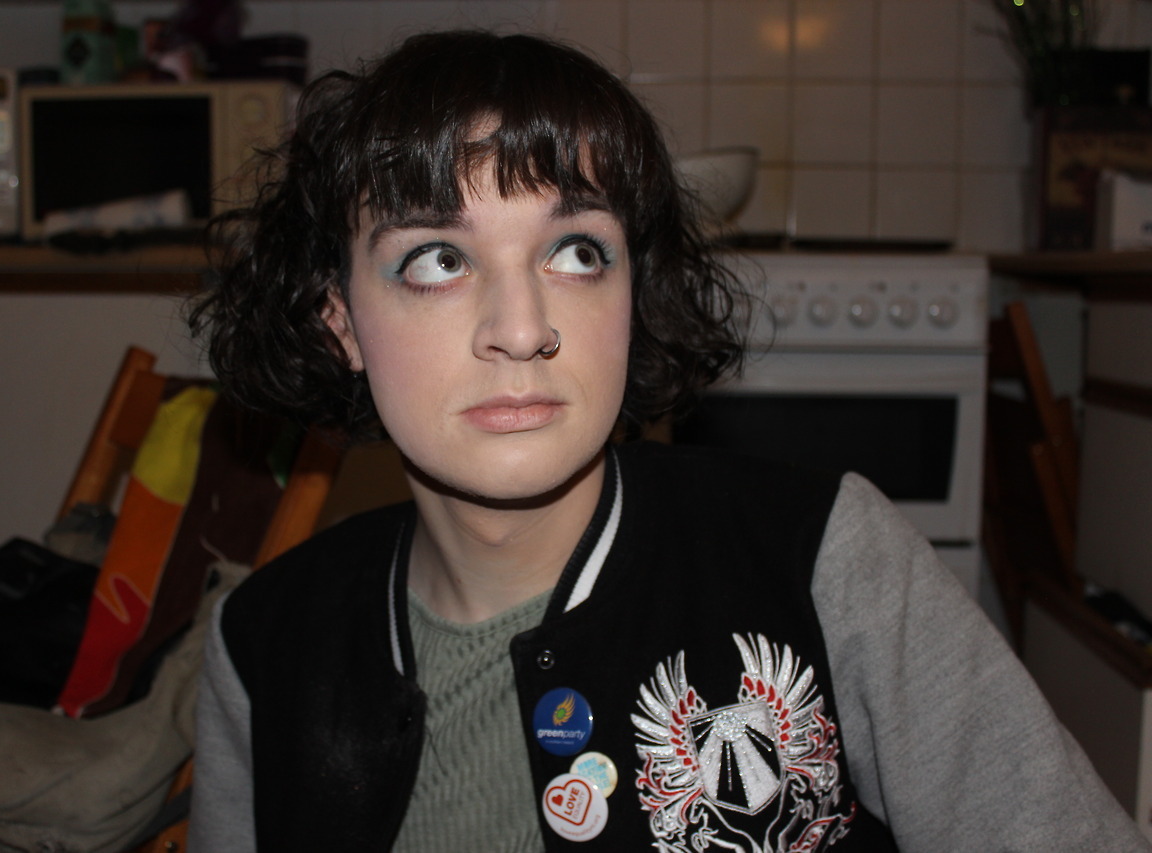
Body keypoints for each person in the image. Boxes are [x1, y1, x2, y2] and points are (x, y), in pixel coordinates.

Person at [186, 29, 1149, 853]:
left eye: (577, 252)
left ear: (631, 293)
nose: (521, 328)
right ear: (341, 323)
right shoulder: (259, 648)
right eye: (438, 258)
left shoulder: (829, 560)